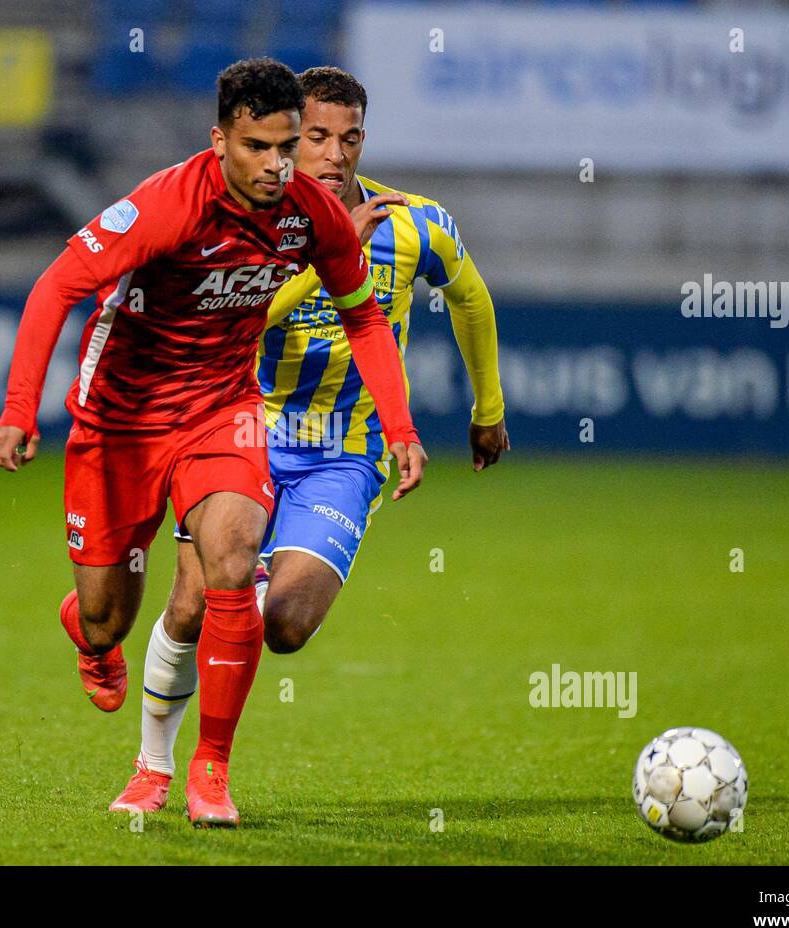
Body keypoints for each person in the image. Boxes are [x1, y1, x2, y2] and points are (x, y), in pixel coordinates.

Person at [0, 59, 425, 828]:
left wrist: (401, 427)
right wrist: (19, 407)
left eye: (288, 146)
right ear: (218, 139)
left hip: (223, 408)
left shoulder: (310, 211)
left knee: (231, 558)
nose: (278, 165)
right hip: (119, 420)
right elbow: (57, 284)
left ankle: (207, 770)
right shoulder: (166, 206)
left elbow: (362, 314)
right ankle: (91, 633)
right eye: (258, 147)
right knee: (108, 617)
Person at [111, 66, 507, 815]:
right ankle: (155, 767)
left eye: (349, 137)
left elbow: (472, 298)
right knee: (191, 608)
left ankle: (217, 721)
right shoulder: (242, 225)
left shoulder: (415, 223)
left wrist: (489, 406)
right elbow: (232, 322)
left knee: (284, 624)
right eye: (317, 136)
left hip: (343, 453)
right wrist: (326, 254)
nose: (334, 154)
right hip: (238, 433)